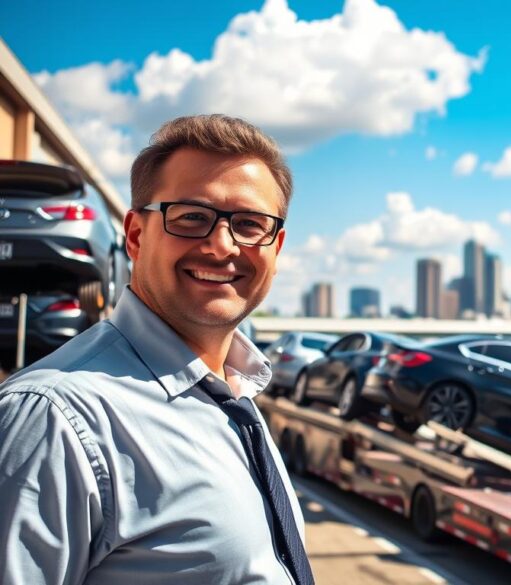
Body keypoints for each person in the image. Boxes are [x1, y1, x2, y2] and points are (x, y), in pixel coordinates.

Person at [0, 115, 314, 584]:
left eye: (250, 224)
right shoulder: (53, 418)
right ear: (136, 236)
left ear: (276, 247)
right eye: (191, 218)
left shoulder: (235, 396)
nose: (221, 246)